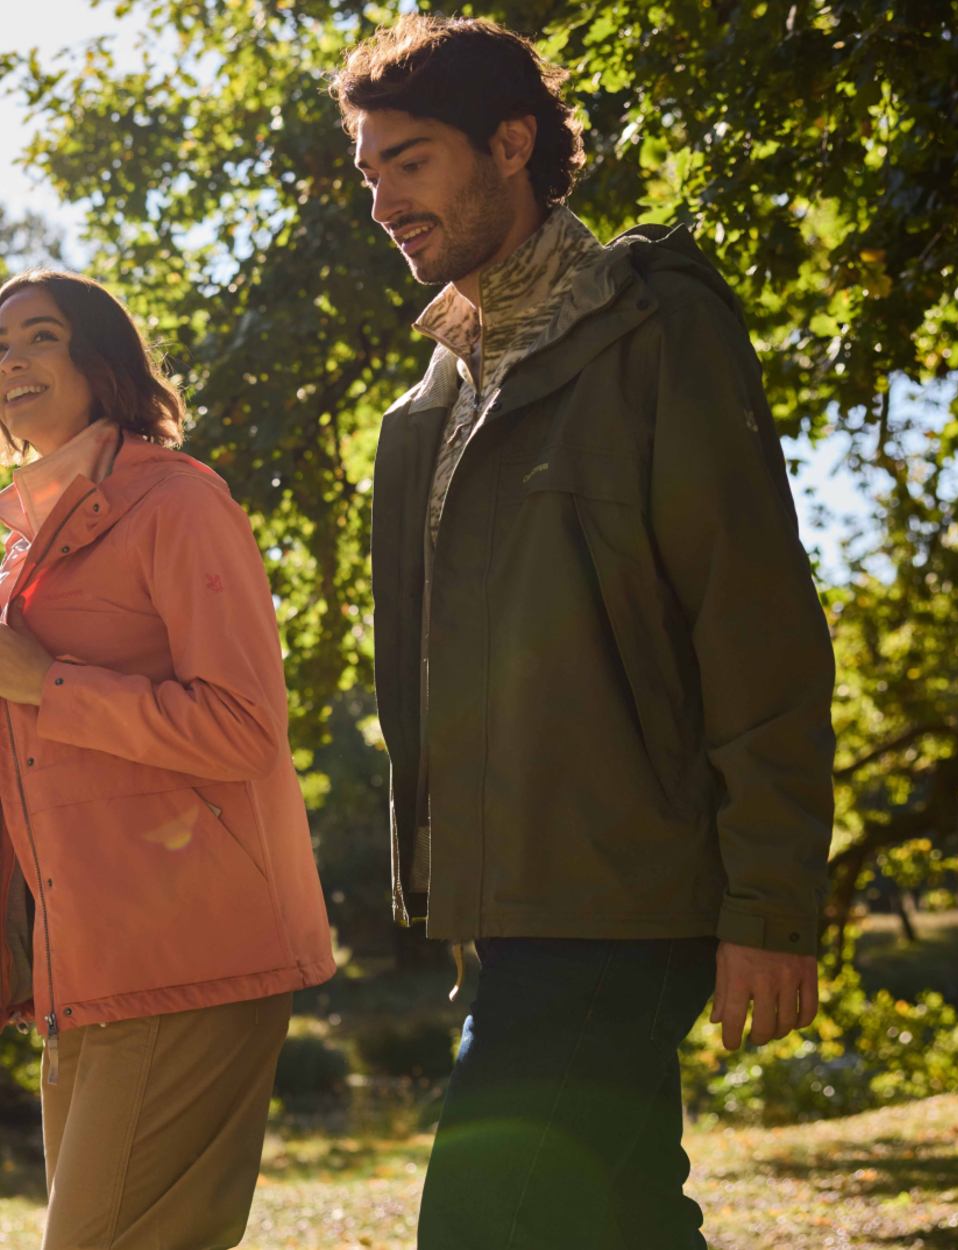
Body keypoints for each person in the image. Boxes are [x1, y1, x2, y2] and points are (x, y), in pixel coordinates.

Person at [334, 14, 836, 1250]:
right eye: (370, 173)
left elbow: (754, 614)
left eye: (412, 161)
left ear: (512, 143)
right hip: (504, 908)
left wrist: (769, 902)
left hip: (628, 893)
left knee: (481, 1226)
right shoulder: (428, 404)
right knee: (617, 1222)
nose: (386, 199)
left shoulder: (651, 330)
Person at [0, 269, 335, 1250]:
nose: (11, 358)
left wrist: (42, 681)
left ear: (101, 362)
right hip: (87, 963)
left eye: (41, 336)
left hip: (188, 949)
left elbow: (241, 726)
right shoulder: (24, 544)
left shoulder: (178, 502)